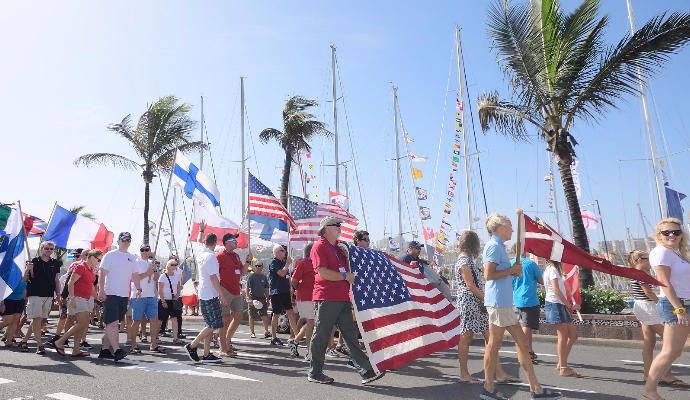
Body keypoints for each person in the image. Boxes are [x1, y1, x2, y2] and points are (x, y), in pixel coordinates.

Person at [481, 213, 560, 400]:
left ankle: (534, 388)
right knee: (501, 344)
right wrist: (511, 271)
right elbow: (488, 275)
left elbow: (498, 273)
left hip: (502, 303)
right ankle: (491, 387)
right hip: (499, 303)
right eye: (509, 226)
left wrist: (511, 272)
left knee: (512, 344)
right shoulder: (493, 247)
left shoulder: (499, 247)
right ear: (500, 228)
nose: (512, 230)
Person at [308, 216, 385, 385]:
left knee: (350, 335)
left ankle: (366, 371)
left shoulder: (338, 248)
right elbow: (322, 272)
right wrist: (344, 275)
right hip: (327, 297)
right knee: (321, 335)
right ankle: (315, 372)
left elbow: (350, 268)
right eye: (336, 225)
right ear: (327, 228)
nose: (339, 228)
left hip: (342, 297)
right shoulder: (320, 246)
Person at [455, 230, 516, 384]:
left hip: (476, 302)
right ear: (472, 244)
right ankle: (464, 373)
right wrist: (486, 299)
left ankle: (499, 373)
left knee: (490, 337)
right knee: (467, 336)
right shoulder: (463, 261)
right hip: (470, 302)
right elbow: (469, 285)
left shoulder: (467, 260)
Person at [643, 218, 690, 400]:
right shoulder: (661, 252)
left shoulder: (676, 253)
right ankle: (649, 389)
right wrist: (679, 309)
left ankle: (660, 375)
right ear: (659, 235)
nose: (672, 235)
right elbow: (665, 284)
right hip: (675, 305)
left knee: (675, 351)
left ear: (681, 235)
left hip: (683, 303)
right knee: (669, 350)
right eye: (666, 232)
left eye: (676, 232)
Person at [628, 250, 684, 387]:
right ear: (640, 260)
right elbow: (647, 292)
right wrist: (660, 305)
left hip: (641, 306)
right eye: (648, 258)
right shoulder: (640, 274)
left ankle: (648, 374)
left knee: (649, 342)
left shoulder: (638, 273)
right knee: (670, 340)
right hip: (648, 306)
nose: (651, 261)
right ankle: (666, 374)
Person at [97, 232, 150, 361]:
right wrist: (101, 290)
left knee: (113, 323)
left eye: (128, 240)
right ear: (118, 241)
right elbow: (102, 274)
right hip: (110, 293)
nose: (126, 242)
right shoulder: (110, 255)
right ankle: (117, 350)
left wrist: (139, 289)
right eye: (124, 239)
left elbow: (135, 276)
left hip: (123, 295)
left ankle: (104, 350)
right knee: (112, 323)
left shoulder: (132, 258)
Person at [183, 230, 229, 363]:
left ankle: (207, 353)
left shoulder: (201, 253)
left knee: (210, 324)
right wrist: (222, 295)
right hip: (210, 294)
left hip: (204, 293)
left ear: (205, 242)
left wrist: (202, 230)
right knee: (214, 324)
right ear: (215, 243)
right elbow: (213, 277)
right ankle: (192, 345)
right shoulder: (210, 256)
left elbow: (198, 241)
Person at [54, 249, 101, 357]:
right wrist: (72, 298)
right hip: (78, 298)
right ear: (91, 257)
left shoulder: (91, 269)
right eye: (98, 259)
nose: (98, 262)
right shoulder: (81, 267)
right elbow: (71, 283)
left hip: (84, 298)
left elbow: (90, 286)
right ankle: (60, 341)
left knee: (82, 324)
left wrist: (97, 298)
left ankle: (76, 349)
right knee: (82, 323)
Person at [21, 241, 62, 355]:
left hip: (48, 295)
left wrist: (58, 295)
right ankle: (40, 345)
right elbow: (24, 279)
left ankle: (24, 341)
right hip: (35, 294)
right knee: (37, 319)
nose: (49, 250)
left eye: (51, 249)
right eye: (47, 248)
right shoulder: (33, 261)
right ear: (41, 249)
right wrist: (27, 269)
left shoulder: (55, 263)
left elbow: (56, 280)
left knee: (38, 320)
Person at [216, 231, 252, 357]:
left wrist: (248, 262)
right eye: (234, 241)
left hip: (236, 289)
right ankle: (223, 347)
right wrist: (219, 291)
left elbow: (242, 272)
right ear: (226, 243)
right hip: (225, 289)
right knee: (225, 319)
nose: (236, 242)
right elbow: (215, 275)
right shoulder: (219, 256)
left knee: (238, 316)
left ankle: (227, 341)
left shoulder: (236, 256)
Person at [543, 260, 581, 378]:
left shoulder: (553, 270)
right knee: (563, 336)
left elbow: (561, 288)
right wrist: (568, 305)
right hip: (556, 304)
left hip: (558, 304)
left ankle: (561, 362)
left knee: (573, 335)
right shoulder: (552, 270)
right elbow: (555, 290)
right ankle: (564, 367)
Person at [128, 244, 163, 354]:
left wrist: (154, 270)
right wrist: (147, 273)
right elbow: (134, 278)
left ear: (150, 251)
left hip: (151, 295)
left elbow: (156, 279)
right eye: (142, 250)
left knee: (154, 320)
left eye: (146, 250)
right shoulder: (136, 263)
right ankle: (133, 345)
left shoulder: (151, 264)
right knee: (136, 321)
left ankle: (153, 344)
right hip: (139, 296)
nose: (144, 251)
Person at [511, 250, 543, 364]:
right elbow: (542, 280)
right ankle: (525, 353)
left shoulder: (510, 264)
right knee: (526, 328)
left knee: (523, 326)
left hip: (515, 299)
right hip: (529, 299)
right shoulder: (530, 264)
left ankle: (529, 351)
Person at [268, 244, 298, 346]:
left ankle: (296, 336)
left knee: (290, 312)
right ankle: (274, 337)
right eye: (282, 250)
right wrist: (287, 264)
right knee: (276, 313)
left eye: (284, 250)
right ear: (276, 252)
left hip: (285, 291)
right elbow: (281, 273)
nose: (284, 252)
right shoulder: (274, 262)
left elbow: (287, 276)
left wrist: (290, 288)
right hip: (276, 291)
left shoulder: (284, 263)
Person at [291, 242, 316, 359]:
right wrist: (299, 289)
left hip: (314, 297)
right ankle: (309, 352)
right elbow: (294, 280)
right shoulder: (304, 263)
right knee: (311, 322)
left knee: (312, 323)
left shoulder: (316, 263)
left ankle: (295, 341)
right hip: (305, 297)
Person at [159, 258, 184, 345]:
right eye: (172, 264)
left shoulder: (177, 276)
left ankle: (175, 338)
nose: (174, 266)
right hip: (164, 300)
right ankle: (155, 337)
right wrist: (163, 301)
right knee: (160, 319)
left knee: (174, 319)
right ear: (168, 266)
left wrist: (177, 296)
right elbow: (160, 290)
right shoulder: (162, 276)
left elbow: (178, 287)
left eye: (175, 265)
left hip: (173, 301)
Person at [245, 261, 270, 339]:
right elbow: (247, 288)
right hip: (253, 298)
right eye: (256, 266)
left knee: (264, 315)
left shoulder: (264, 277)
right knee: (251, 316)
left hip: (262, 299)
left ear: (262, 267)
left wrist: (267, 298)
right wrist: (249, 299)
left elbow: (266, 288)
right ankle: (252, 332)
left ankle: (266, 331)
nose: (258, 267)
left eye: (259, 266)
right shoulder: (251, 277)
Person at [1, 276, 27, 348]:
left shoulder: (25, 273)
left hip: (20, 300)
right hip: (8, 300)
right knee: (7, 321)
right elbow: (2, 288)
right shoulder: (9, 272)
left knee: (15, 321)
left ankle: (8, 342)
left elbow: (25, 287)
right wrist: (2, 303)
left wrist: (25, 300)